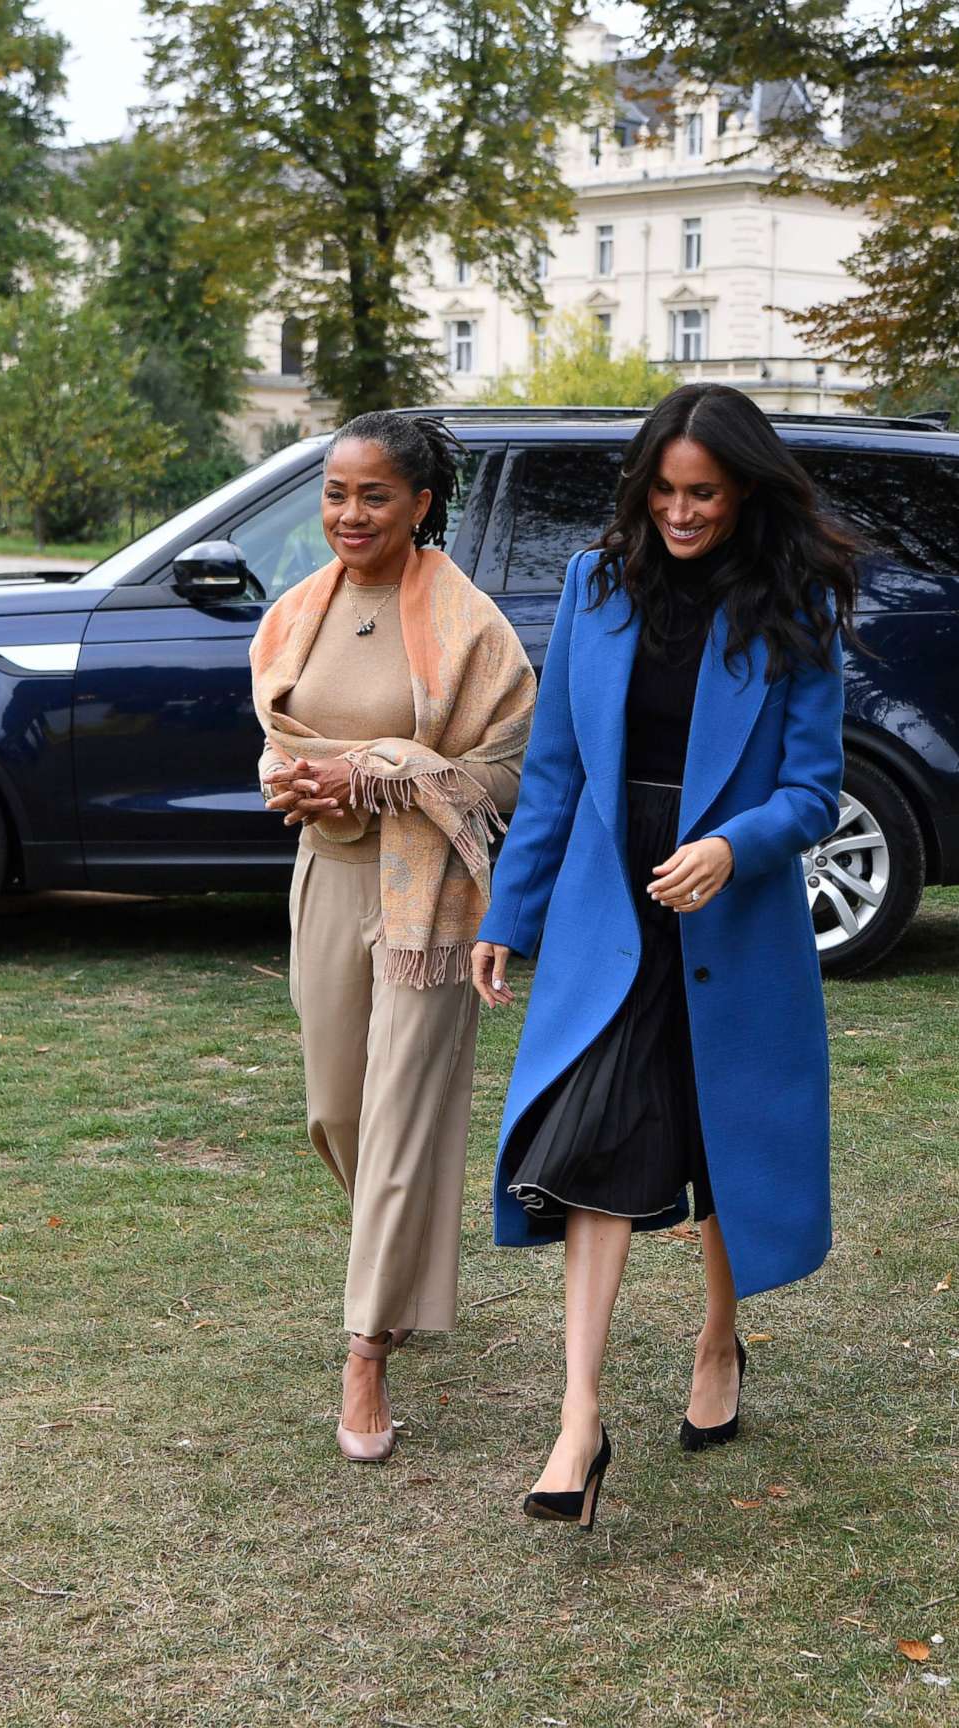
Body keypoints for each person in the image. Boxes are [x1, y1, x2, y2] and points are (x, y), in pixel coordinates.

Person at [469, 383, 854, 1528]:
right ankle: (578, 1418)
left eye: (706, 494)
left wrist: (734, 849)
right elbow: (554, 769)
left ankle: (720, 1340)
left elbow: (815, 791)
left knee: (724, 1132)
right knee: (592, 1132)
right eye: (666, 491)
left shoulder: (797, 606)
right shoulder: (596, 586)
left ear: (742, 493)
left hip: (730, 909)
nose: (682, 514)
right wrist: (509, 913)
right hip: (610, 900)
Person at [249, 411, 535, 1462]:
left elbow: (508, 770)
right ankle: (399, 1269)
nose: (349, 513)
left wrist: (378, 768)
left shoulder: (471, 626)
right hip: (328, 876)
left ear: (420, 503)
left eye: (374, 495)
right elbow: (279, 744)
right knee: (336, 1111)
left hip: (432, 900)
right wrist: (301, 783)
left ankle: (365, 1350)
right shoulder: (294, 615)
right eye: (335, 492)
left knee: (407, 1113)